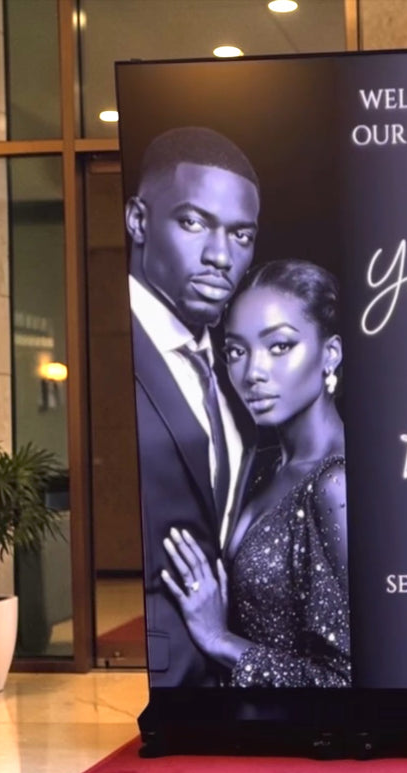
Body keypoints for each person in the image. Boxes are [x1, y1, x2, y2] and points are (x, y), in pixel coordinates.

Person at [160, 259, 351, 687]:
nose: (253, 373)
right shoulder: (260, 465)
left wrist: (219, 639)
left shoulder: (335, 483)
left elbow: (345, 681)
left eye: (279, 346)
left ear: (330, 354)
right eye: (236, 351)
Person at [126, 127, 260, 687]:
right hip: (159, 674)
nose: (220, 256)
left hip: (228, 673)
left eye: (241, 235)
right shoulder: (109, 350)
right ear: (138, 221)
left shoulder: (238, 370)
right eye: (193, 223)